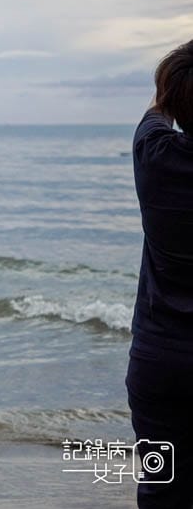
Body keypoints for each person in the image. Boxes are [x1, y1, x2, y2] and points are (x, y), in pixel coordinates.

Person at [126, 38, 193, 508]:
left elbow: (156, 112)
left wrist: (172, 87)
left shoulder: (154, 155)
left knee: (161, 488)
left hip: (158, 362)